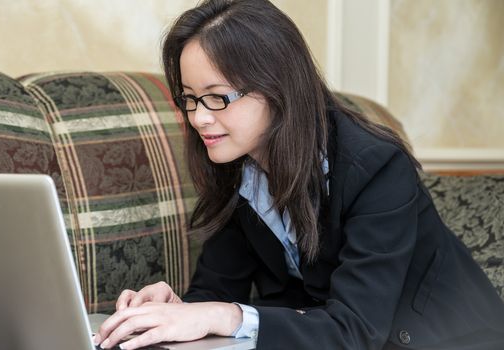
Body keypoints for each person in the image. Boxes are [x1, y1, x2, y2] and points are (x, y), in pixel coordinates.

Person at [93, 0, 504, 349]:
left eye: (217, 97)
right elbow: (219, 291)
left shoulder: (378, 167)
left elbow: (356, 330)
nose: (199, 118)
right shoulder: (236, 164)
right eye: (189, 98)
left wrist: (226, 315)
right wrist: (176, 309)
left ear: (278, 88)